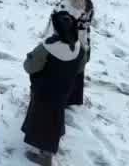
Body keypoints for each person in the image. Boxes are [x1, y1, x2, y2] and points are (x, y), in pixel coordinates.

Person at [21, 11, 83, 166]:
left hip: (44, 91)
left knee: (42, 120)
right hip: (64, 91)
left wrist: (32, 56)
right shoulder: (79, 48)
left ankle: (45, 156)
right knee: (56, 115)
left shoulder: (48, 49)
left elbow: (29, 67)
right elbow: (80, 68)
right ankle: (55, 134)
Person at [55, 0, 95, 107]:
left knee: (67, 78)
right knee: (75, 76)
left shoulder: (74, 3)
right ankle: (72, 101)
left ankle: (66, 103)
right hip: (80, 46)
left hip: (71, 47)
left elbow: (69, 29)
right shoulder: (79, 0)